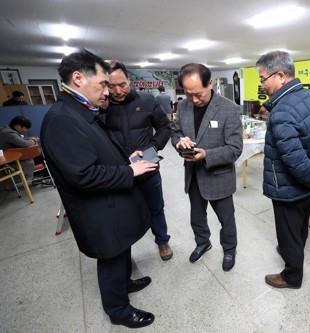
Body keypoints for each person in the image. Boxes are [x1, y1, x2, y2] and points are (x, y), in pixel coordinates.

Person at [40, 49, 157, 328]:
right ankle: (118, 310)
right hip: (97, 211)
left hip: (111, 206)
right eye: (103, 83)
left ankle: (124, 284)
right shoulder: (62, 119)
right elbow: (82, 174)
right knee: (111, 257)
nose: (108, 91)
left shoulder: (80, 111)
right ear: (78, 78)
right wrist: (129, 171)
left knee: (120, 251)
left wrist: (124, 159)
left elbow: (94, 152)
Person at [256, 51, 310, 289]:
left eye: (263, 78)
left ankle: (292, 276)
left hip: (289, 186)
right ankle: (292, 250)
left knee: (288, 230)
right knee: (299, 225)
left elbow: (295, 159)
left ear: (280, 76)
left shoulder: (281, 112)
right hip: (309, 182)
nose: (262, 85)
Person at [171, 63, 242, 271]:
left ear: (210, 84)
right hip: (193, 175)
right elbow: (174, 132)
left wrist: (206, 155)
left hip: (218, 175)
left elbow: (235, 148)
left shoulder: (229, 108)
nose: (193, 99)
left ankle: (229, 250)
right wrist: (179, 142)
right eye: (188, 93)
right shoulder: (183, 106)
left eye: (198, 94)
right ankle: (203, 242)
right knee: (196, 216)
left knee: (226, 220)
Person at [106, 60, 173, 261]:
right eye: (111, 86)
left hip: (148, 168)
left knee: (156, 208)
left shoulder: (146, 101)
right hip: (119, 172)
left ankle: (162, 241)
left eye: (122, 84)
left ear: (130, 80)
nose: (118, 90)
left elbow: (164, 128)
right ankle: (125, 252)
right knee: (123, 213)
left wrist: (152, 148)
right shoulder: (101, 106)